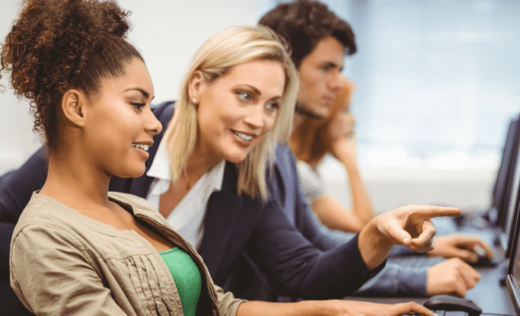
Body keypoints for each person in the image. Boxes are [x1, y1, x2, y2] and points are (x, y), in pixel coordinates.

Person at [0, 1, 455, 316]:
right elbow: (28, 227)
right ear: (198, 86)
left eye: (272, 105)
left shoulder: (248, 174)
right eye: (245, 96)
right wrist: (57, 269)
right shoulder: (105, 147)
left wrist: (375, 236)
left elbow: (293, 276)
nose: (260, 120)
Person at [259, 0, 490, 299]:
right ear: (283, 66)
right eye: (326, 68)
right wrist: (419, 279)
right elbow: (299, 269)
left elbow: (322, 243)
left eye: (339, 69)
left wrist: (398, 243)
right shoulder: (256, 158)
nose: (338, 83)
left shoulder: (282, 154)